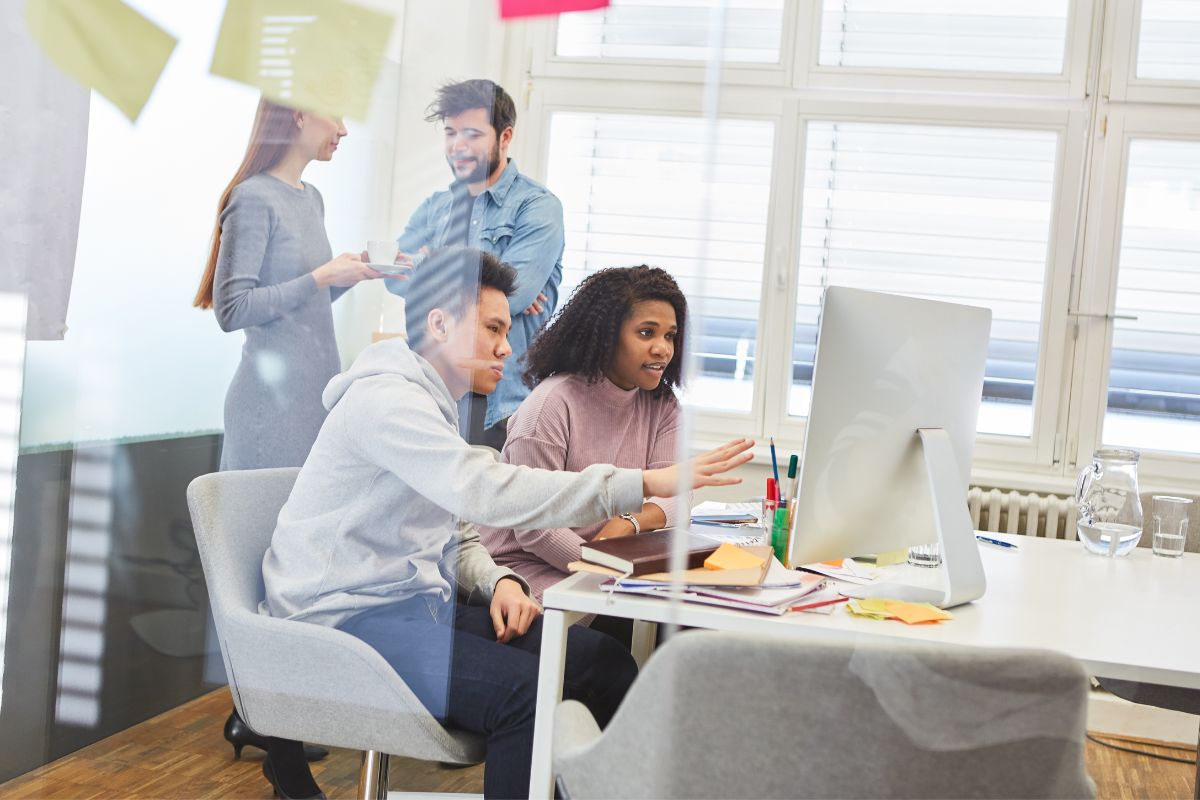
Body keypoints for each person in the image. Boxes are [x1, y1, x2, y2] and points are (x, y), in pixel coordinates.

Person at [260, 247, 752, 799]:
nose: (506, 346)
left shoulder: (434, 406)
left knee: (602, 662)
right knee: (528, 695)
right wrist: (645, 482)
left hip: (417, 609)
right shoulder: (386, 403)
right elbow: (488, 491)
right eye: (493, 328)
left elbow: (456, 532)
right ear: (440, 325)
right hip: (349, 623)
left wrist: (501, 583)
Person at [193, 98, 380, 790]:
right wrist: (320, 278)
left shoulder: (314, 198)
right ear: (298, 117)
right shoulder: (251, 199)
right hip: (268, 410)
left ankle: (271, 716)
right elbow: (234, 309)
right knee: (257, 568)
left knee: (298, 564)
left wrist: (344, 278)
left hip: (312, 403)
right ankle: (266, 722)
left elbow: (298, 304)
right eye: (335, 116)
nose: (343, 130)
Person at [480, 266, 688, 621]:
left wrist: (626, 524)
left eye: (670, 336)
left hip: (604, 564)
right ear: (606, 336)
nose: (662, 348)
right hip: (526, 571)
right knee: (616, 649)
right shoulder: (550, 406)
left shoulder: (663, 405)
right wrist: (602, 564)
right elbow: (533, 527)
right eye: (646, 332)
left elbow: (677, 494)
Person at [385, 79, 564, 450]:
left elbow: (514, 294)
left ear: (505, 136)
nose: (457, 146)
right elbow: (394, 278)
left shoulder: (537, 207)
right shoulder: (436, 206)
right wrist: (489, 282)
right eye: (451, 133)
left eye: (472, 134)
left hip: (500, 400)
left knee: (487, 504)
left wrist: (430, 265)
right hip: (431, 392)